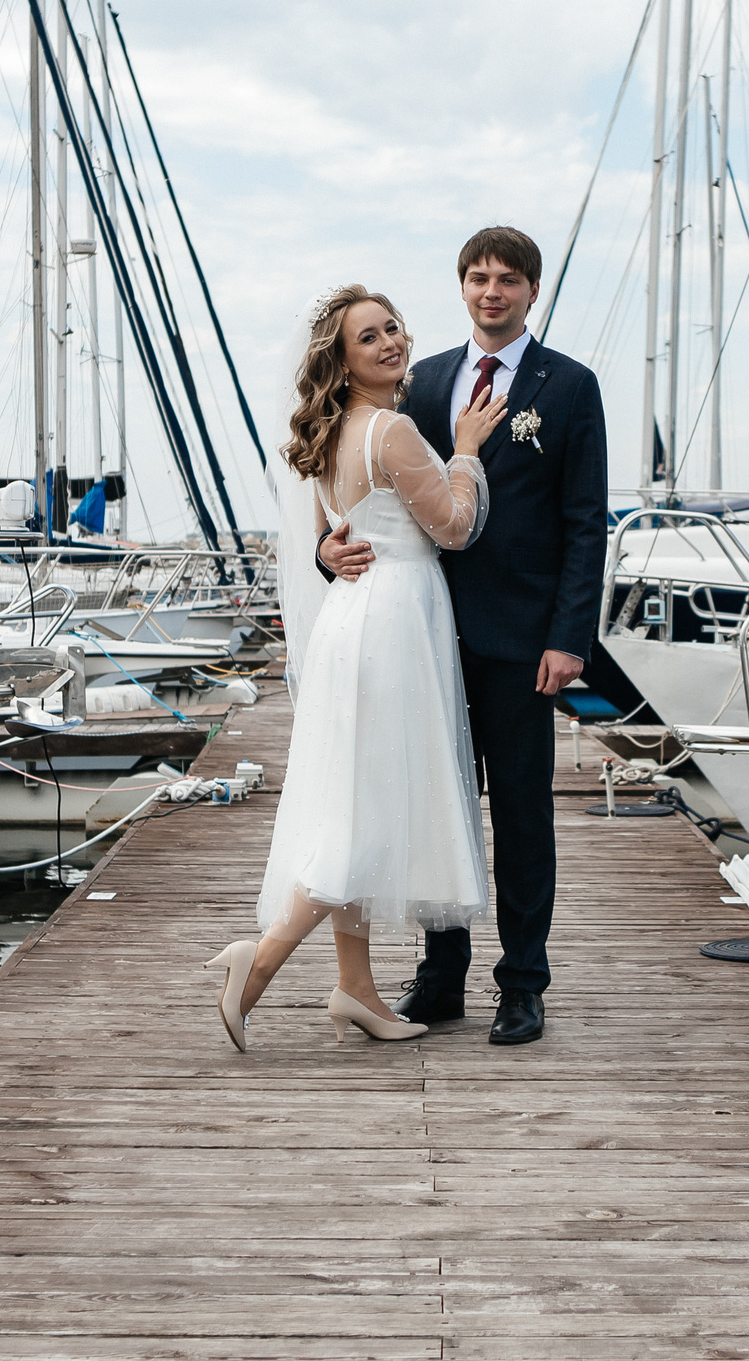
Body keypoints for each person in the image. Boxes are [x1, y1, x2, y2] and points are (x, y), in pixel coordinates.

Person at [321, 227, 608, 1045]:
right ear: (462, 286)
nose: (492, 291)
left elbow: (585, 521)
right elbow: (367, 489)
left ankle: (522, 983)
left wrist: (569, 637)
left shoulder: (570, 386)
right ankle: (441, 976)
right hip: (423, 634)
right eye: (479, 277)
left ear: (531, 290)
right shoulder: (422, 382)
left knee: (521, 815)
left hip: (522, 641)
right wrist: (323, 552)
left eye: (508, 279)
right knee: (434, 805)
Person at [204, 284, 509, 1050]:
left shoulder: (328, 433)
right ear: (342, 362)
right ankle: (259, 962)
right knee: (369, 810)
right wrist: (466, 450)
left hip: (352, 618)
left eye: (392, 327)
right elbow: (454, 527)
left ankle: (357, 986)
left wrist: (328, 550)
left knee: (351, 798)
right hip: (395, 621)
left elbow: (326, 535)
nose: (389, 342)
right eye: (368, 337)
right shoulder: (391, 430)